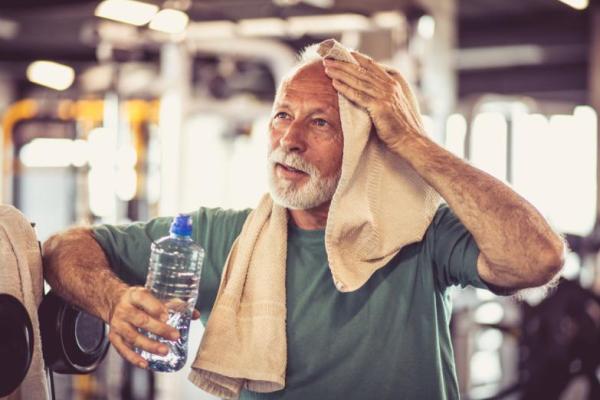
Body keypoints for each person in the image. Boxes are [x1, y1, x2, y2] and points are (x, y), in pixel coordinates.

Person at [43, 46, 565, 399]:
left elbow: (537, 258)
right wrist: (113, 300)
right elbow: (66, 248)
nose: (289, 140)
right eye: (282, 115)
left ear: (365, 145)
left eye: (320, 123)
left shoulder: (421, 234)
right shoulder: (225, 238)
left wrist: (410, 140)